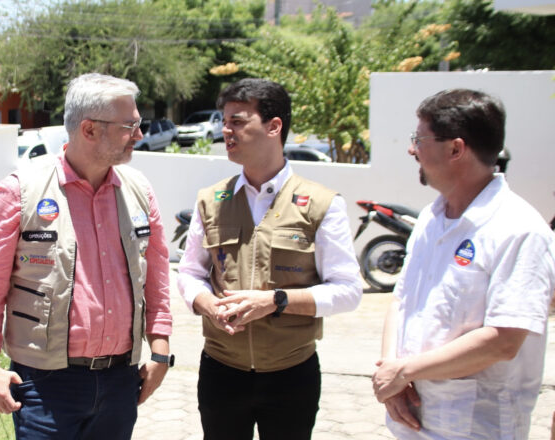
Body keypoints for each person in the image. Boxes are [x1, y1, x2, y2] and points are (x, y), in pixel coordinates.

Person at [0, 73, 173, 439]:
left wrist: (160, 351)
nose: (139, 134)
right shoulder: (21, 192)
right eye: (129, 126)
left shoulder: (139, 190)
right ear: (89, 129)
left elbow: (157, 277)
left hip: (121, 380)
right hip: (45, 385)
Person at [177, 78, 363, 440]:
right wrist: (206, 303)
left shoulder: (321, 203)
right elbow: (189, 273)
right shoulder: (211, 200)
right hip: (221, 370)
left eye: (237, 121)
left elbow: (348, 290)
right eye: (224, 121)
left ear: (274, 126)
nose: (226, 131)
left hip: (291, 374)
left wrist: (276, 301)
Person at [372, 88, 555, 439]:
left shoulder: (519, 230)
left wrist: (404, 371)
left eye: (419, 139)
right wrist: (391, 376)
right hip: (411, 420)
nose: (412, 149)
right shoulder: (431, 218)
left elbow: (504, 339)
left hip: (474, 427)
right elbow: (402, 299)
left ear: (456, 149)